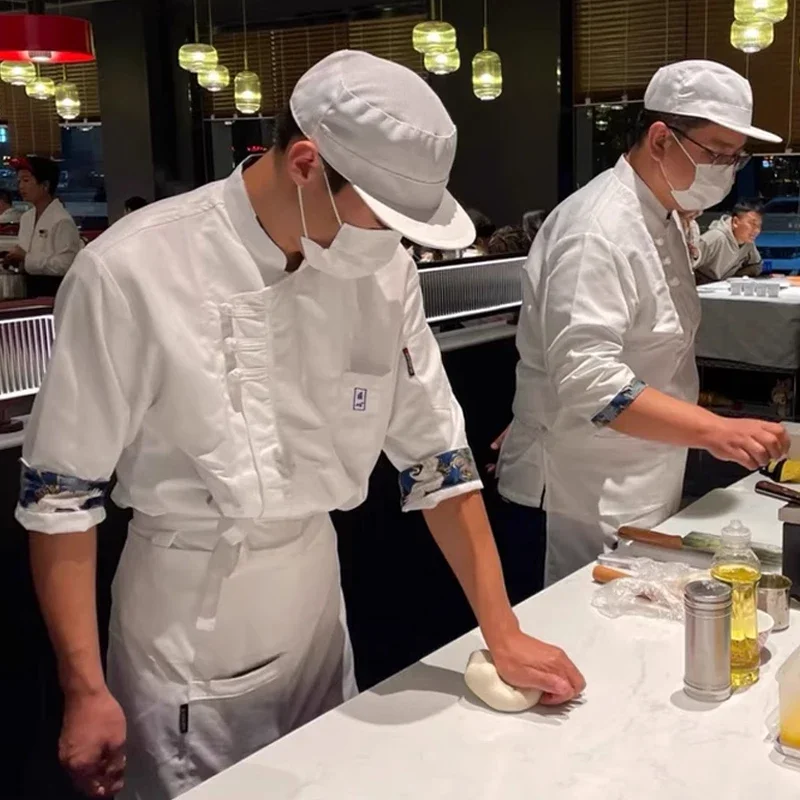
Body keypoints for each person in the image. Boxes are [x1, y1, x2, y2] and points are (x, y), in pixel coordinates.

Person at [18, 51, 584, 800]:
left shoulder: (384, 271)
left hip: (316, 602)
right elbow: (62, 498)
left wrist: (502, 631)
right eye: (382, 218)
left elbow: (438, 461)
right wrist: (84, 688)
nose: (394, 242)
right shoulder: (132, 271)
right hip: (190, 623)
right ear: (305, 164)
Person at [495, 60, 790, 587]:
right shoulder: (597, 228)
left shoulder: (665, 214)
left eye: (735, 156)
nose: (727, 168)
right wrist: (716, 430)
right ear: (660, 139)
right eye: (716, 153)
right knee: (584, 632)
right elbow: (590, 382)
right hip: (585, 488)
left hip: (647, 467)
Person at [3, 156, 82, 295]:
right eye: (19, 181)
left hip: (54, 291)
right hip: (28, 288)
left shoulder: (62, 220)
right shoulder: (27, 218)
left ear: (45, 185)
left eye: (26, 180)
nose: (21, 186)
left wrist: (26, 258)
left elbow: (65, 265)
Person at [695, 199, 764, 284]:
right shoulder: (715, 238)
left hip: (722, 287)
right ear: (735, 222)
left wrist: (735, 277)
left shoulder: (748, 243)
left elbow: (755, 266)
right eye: (752, 224)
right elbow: (686, 264)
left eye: (759, 225)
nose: (757, 230)